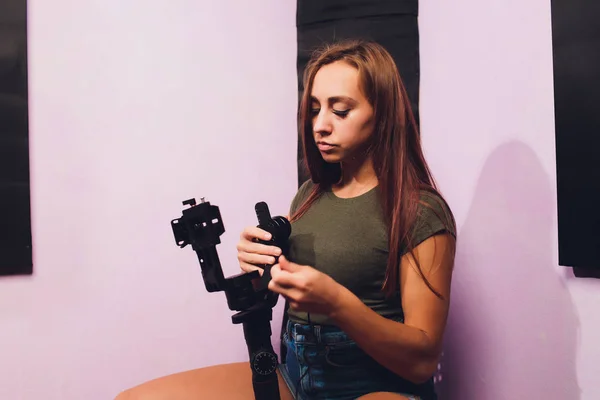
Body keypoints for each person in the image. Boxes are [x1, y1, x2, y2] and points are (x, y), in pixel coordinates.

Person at [116, 39, 456, 400]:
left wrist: (337, 303)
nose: (320, 126)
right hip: (295, 372)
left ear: (383, 114)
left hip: (372, 383)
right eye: (314, 109)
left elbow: (421, 361)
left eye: (339, 111)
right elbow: (279, 290)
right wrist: (259, 264)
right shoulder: (310, 194)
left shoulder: (419, 210)